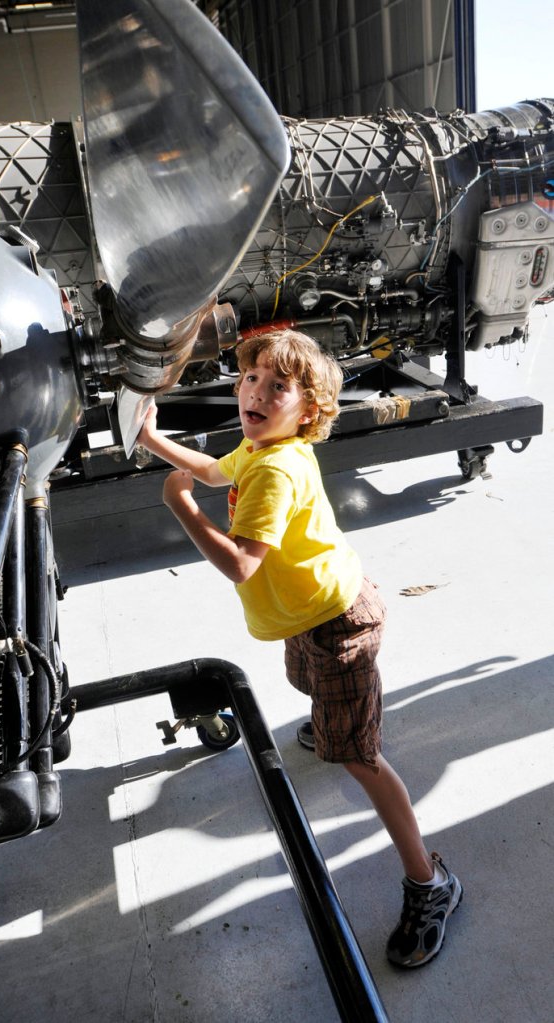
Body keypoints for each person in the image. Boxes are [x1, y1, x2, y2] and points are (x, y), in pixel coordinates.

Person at [137, 327, 462, 967]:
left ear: (308, 409)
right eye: (251, 378)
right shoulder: (262, 445)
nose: (253, 391)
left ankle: (431, 882)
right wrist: (152, 441)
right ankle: (332, 721)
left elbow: (240, 565)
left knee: (360, 757)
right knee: (306, 688)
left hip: (340, 622)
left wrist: (184, 512)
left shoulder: (276, 473)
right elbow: (209, 468)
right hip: (307, 614)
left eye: (276, 386)